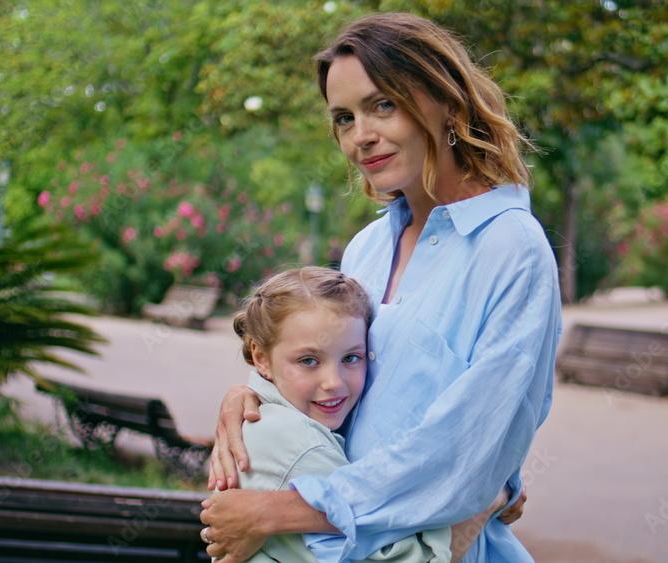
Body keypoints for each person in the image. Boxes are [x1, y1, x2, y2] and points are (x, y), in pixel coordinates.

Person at [199, 12, 562, 563]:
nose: (360, 135)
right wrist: (251, 394)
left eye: (383, 105)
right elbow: (331, 382)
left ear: (447, 102)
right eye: (344, 118)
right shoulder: (365, 248)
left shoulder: (512, 249)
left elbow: (463, 451)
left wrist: (280, 511)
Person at [221, 266, 451, 562]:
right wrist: (479, 502)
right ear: (261, 358)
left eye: (351, 357)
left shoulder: (274, 420)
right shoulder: (302, 445)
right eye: (308, 360)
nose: (334, 382)